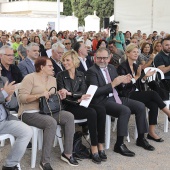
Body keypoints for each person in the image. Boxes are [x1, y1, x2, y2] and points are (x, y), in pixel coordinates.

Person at [86, 47, 155, 157]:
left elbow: (119, 87)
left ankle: (141, 138)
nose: (102, 60)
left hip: (116, 97)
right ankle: (119, 144)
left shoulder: (112, 68)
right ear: (95, 58)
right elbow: (94, 92)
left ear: (109, 58)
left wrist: (124, 81)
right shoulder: (91, 71)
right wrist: (113, 84)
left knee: (140, 106)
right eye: (99, 58)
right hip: (102, 100)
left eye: (105, 58)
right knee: (125, 110)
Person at [18, 57, 78, 169]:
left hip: (48, 111)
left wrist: (60, 94)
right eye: (50, 66)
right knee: (50, 122)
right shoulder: (30, 78)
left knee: (69, 116)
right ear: (41, 67)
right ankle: (45, 161)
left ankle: (67, 153)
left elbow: (51, 97)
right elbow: (22, 98)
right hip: (29, 112)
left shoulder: (52, 79)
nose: (53, 67)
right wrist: (39, 95)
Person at [57, 50, 107, 164]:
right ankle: (93, 147)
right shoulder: (60, 75)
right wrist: (76, 97)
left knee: (101, 109)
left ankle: (100, 143)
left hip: (81, 102)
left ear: (74, 61)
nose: (65, 62)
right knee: (91, 112)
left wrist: (72, 94)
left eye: (67, 60)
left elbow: (84, 91)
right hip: (68, 106)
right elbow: (63, 97)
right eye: (63, 60)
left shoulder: (80, 74)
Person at [117, 43, 170, 141]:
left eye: (137, 52)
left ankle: (151, 132)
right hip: (126, 95)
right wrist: (136, 77)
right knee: (153, 94)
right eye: (134, 52)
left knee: (154, 104)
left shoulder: (137, 66)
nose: (136, 54)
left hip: (137, 93)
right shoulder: (122, 67)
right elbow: (122, 86)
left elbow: (139, 83)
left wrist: (144, 77)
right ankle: (168, 113)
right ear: (127, 53)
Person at [0, 63, 33, 170]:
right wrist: (4, 94)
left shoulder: (3, 80)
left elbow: (14, 104)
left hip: (4, 120)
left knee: (27, 131)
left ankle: (10, 165)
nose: (1, 68)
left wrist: (9, 98)